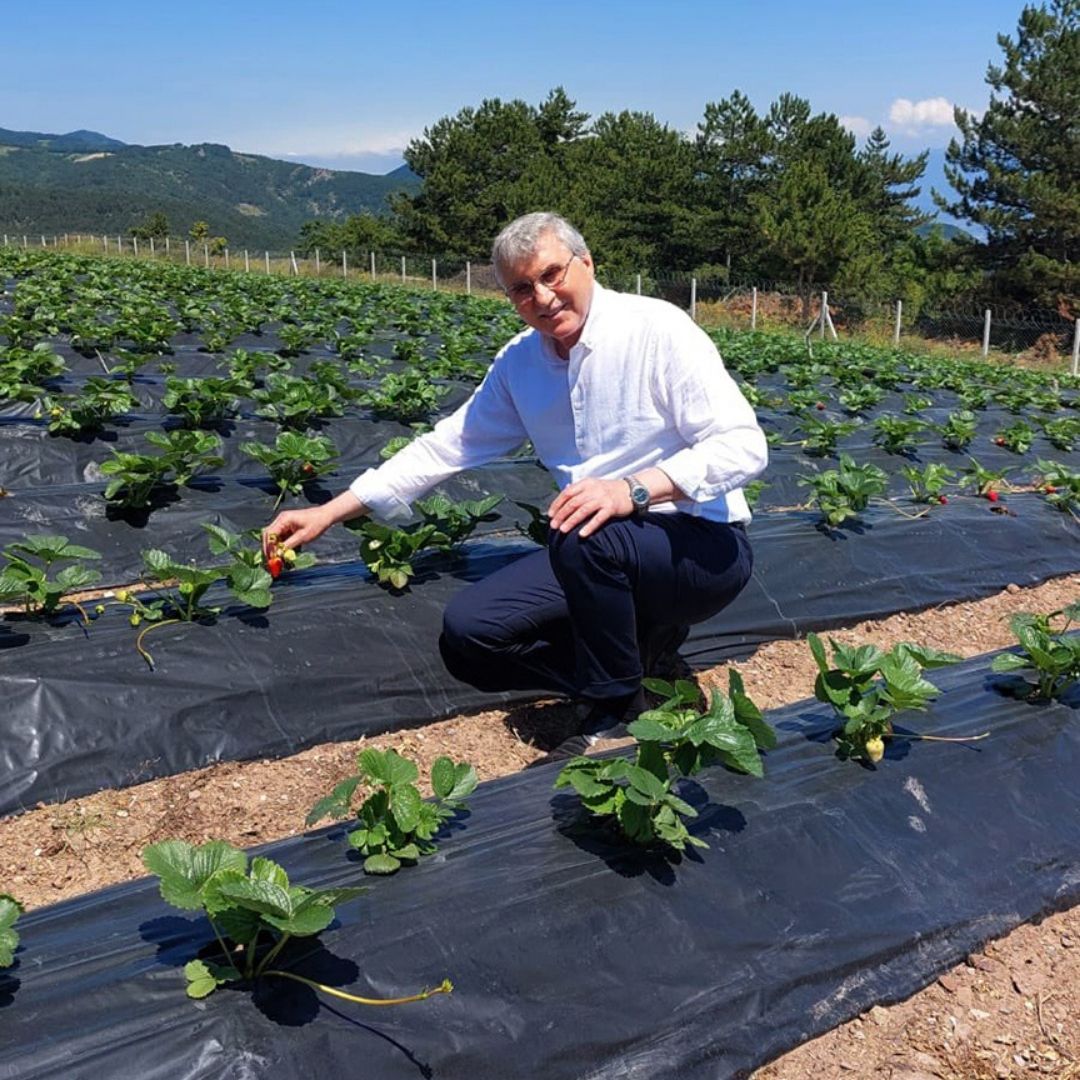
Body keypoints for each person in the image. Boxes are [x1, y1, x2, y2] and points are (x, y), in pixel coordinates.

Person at [263, 211, 767, 755]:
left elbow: (743, 445)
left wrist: (633, 489)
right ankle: (634, 666)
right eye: (523, 288)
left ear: (587, 264)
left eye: (553, 274)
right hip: (602, 549)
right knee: (470, 633)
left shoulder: (656, 329)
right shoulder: (520, 364)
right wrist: (328, 513)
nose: (544, 297)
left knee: (582, 527)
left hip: (700, 548)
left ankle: (616, 714)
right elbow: (446, 445)